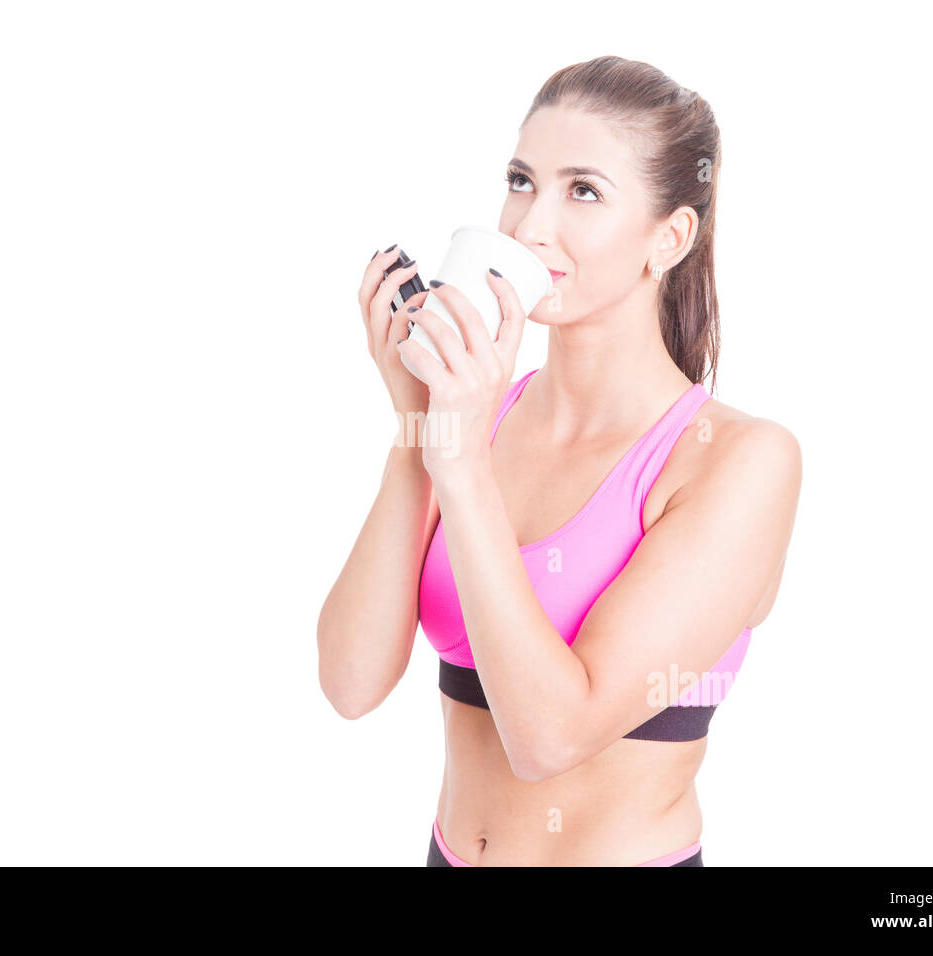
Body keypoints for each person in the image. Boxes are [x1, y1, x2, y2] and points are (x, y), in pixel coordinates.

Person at [317, 55, 802, 866]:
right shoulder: (478, 418)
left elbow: (549, 738)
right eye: (520, 181)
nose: (529, 226)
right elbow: (350, 683)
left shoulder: (741, 462)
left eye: (583, 191)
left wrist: (462, 467)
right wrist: (418, 429)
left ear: (670, 237)